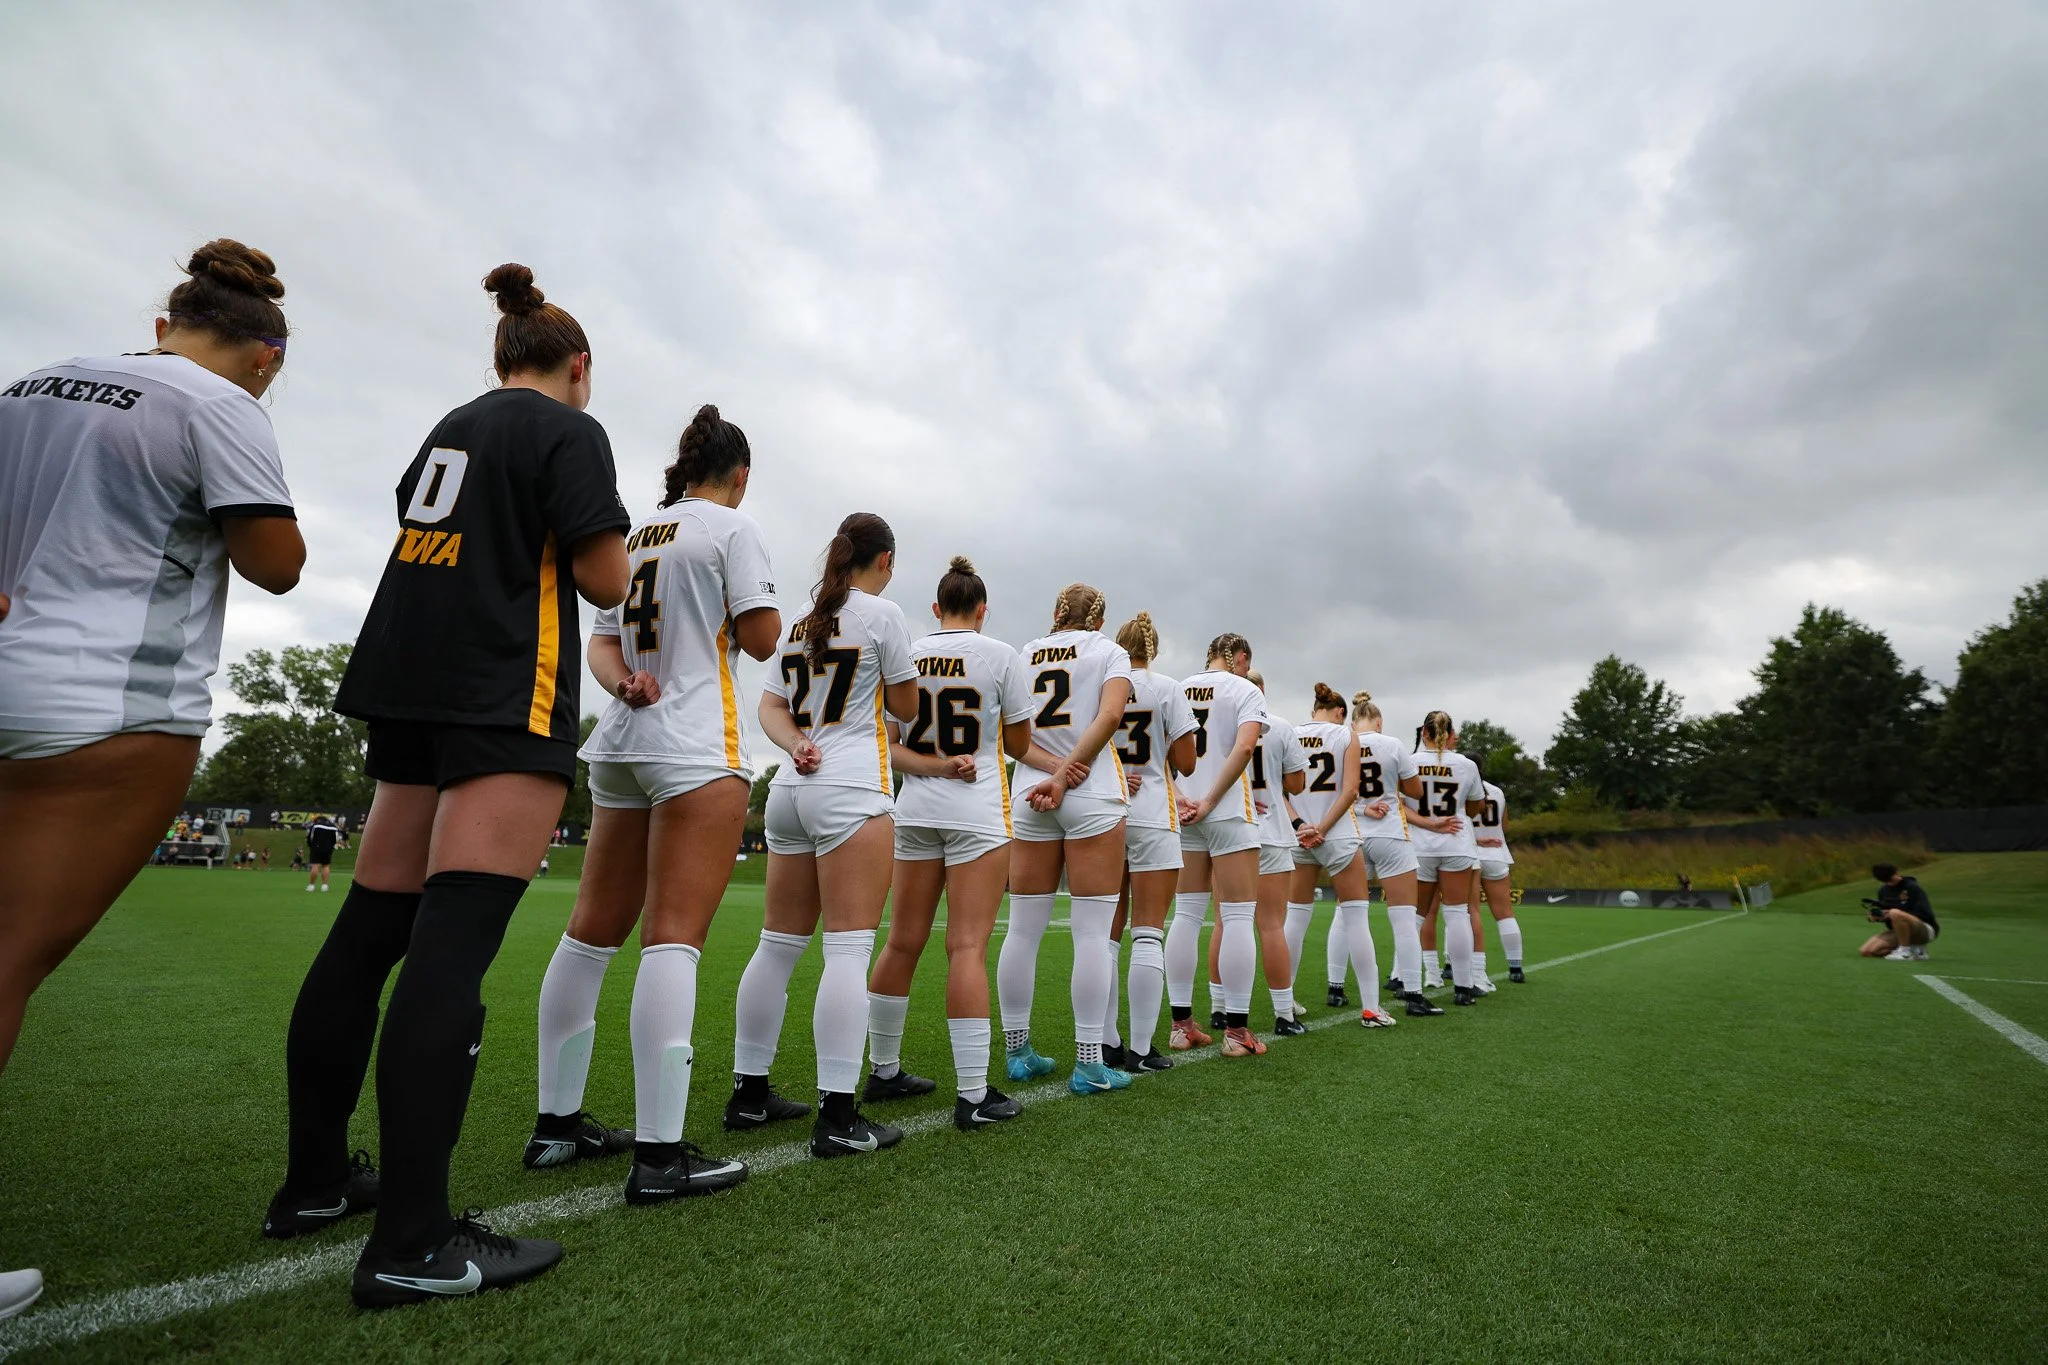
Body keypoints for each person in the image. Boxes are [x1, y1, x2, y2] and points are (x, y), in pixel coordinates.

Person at [273, 264, 629, 1309]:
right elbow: (604, 578)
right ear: (577, 367)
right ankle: (412, 1241)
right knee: (452, 943)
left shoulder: (451, 423)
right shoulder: (569, 429)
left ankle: (315, 1181)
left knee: (370, 929)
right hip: (495, 689)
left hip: (408, 683)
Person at [0, 239, 304, 1323]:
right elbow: (278, 564)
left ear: (169, 316)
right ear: (264, 356)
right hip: (106, 703)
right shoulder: (224, 405)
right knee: (7, 961)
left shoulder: (31, 380)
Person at [528, 403, 772, 1202]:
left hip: (624, 738)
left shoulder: (636, 535)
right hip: (698, 741)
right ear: (739, 475)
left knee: (592, 930)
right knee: (674, 940)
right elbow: (765, 637)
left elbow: (603, 641)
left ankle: (556, 1126)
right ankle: (662, 1156)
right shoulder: (730, 528)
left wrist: (625, 680)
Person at [730, 513, 918, 1159]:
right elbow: (908, 707)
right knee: (846, 951)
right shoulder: (883, 614)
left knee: (777, 946)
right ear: (884, 559)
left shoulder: (804, 621)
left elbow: (770, 706)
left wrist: (795, 744)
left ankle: (749, 1092)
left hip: (789, 789)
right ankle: (838, 1115)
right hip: (853, 789)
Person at [868, 557, 1064, 1128]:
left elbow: (891, 747)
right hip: (976, 814)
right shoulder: (1001, 656)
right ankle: (974, 1095)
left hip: (915, 810)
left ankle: (882, 1072)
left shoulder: (907, 651)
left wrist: (933, 768)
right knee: (967, 947)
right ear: (982, 610)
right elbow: (1017, 744)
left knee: (902, 942)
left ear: (935, 609)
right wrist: (1063, 766)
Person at [998, 583, 1138, 1095]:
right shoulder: (1109, 651)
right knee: (1092, 934)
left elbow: (1009, 734)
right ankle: (1088, 1061)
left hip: (1030, 791)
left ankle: (1018, 1052)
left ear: (1056, 613)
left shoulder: (1024, 653)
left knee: (1022, 931)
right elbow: (1109, 716)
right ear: (1098, 620)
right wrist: (1069, 772)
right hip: (1091, 793)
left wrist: (1052, 771)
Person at [1166, 634, 1268, 1057]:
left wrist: (1181, 797)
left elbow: (1160, 755)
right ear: (1241, 657)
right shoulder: (1244, 688)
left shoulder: (1178, 686)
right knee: (1239, 916)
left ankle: (1181, 1026)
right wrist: (1211, 800)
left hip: (1184, 809)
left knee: (1187, 916)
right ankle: (1237, 1033)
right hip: (1225, 811)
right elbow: (1245, 746)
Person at [1105, 612, 1199, 1071]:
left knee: (1105, 936)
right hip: (1152, 815)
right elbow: (1187, 760)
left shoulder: (1105, 681)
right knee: (1147, 933)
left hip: (1104, 812)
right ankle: (1140, 1050)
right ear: (1153, 648)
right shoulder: (1166, 687)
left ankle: (1105, 1042)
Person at [1287, 685, 1397, 1027]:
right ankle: (1370, 1009)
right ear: (1339, 712)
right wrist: (1323, 826)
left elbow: (1278, 788)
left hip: (1298, 835)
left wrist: (1303, 824)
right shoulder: (1346, 736)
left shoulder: (1289, 732)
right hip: (1338, 834)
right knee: (1356, 920)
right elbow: (1350, 790)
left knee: (1295, 920)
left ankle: (1284, 1000)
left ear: (1313, 709)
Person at [1211, 669, 1306, 1034]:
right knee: (1271, 925)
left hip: (1231, 825)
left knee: (1225, 922)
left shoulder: (1217, 722)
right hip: (1271, 830)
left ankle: (1220, 1008)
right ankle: (1284, 1014)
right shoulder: (1280, 726)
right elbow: (1295, 784)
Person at [1349, 693, 1447, 1017]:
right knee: (1404, 918)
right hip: (1391, 832)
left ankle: (1336, 987)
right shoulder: (1391, 744)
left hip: (1352, 835)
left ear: (1353, 721)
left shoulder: (1342, 742)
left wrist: (1362, 806)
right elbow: (1416, 792)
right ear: (1379, 721)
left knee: (1347, 917)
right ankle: (1414, 995)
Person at [1405, 711, 1491, 1006]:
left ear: (1424, 733)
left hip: (1421, 845)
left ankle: (1409, 982)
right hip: (1457, 843)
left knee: (1416, 916)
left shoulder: (1411, 760)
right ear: (1450, 732)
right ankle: (1464, 988)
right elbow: (1477, 805)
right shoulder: (1466, 765)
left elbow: (1399, 805)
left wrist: (1427, 822)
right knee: (1457, 914)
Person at [1473, 779, 1526, 983]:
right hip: (1496, 853)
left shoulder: (1461, 782)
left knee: (1465, 910)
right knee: (1505, 913)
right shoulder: (1498, 791)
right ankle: (1516, 967)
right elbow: (1504, 825)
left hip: (1470, 852)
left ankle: (1453, 965)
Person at [1861, 864, 1938, 960]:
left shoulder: (1912, 887)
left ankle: (1906, 952)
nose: (1890, 883)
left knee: (1895, 912)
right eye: (1886, 881)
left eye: (1891, 879)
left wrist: (1895, 913)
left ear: (1897, 872)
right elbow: (1889, 920)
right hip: (1900, 932)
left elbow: (1925, 913)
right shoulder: (1882, 891)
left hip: (1925, 929)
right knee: (1866, 951)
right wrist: (1880, 917)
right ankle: (1916, 951)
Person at [305, 814, 340, 892]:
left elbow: (310, 837)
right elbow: (335, 839)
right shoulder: (333, 826)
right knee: (326, 866)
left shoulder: (315, 826)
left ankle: (311, 885)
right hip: (328, 848)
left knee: (315, 865)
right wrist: (331, 846)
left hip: (316, 847)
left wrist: (311, 845)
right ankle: (324, 886)